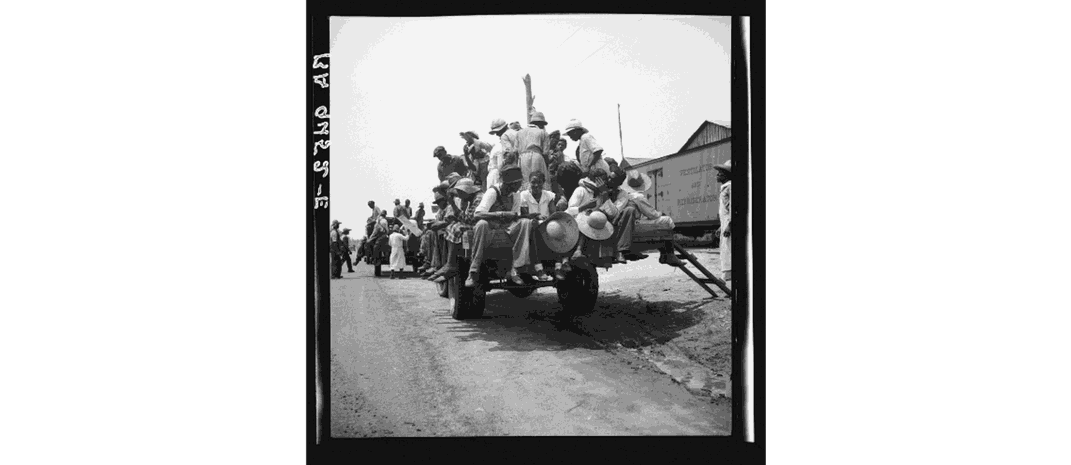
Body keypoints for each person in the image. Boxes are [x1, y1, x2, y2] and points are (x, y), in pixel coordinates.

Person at [466, 165, 544, 287]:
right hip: (491, 230)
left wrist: (528, 217)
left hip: (507, 230)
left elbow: (514, 217)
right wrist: (501, 214)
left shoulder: (516, 195)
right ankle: (473, 271)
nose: (520, 185)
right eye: (518, 183)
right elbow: (478, 214)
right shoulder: (493, 192)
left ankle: (516, 268)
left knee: (526, 223)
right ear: (510, 184)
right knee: (481, 224)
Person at [620, 169, 683, 266]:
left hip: (627, 224)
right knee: (666, 220)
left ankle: (666, 254)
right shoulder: (637, 196)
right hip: (635, 224)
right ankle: (669, 254)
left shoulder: (625, 195)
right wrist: (661, 213)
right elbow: (652, 214)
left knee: (660, 222)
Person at [429, 177, 483, 283]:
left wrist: (453, 206)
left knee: (455, 227)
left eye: (459, 192)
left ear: (466, 190)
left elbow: (469, 219)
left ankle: (450, 264)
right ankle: (449, 263)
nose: (458, 195)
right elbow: (466, 217)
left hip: (480, 226)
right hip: (475, 224)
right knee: (452, 227)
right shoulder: (471, 198)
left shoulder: (478, 198)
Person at [563, 168, 619, 269]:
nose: (605, 182)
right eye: (603, 180)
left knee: (601, 218)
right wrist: (584, 207)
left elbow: (613, 213)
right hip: (575, 223)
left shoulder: (600, 194)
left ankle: (604, 256)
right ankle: (578, 251)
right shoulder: (581, 190)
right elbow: (569, 211)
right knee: (587, 218)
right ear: (596, 180)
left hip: (592, 226)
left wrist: (605, 195)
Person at [513, 111, 551, 191]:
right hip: (537, 157)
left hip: (522, 158)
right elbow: (545, 153)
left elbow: (515, 152)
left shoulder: (519, 132)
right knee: (540, 181)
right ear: (542, 124)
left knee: (526, 182)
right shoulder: (543, 132)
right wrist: (546, 167)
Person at [486, 118, 520, 188]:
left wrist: (504, 170)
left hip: (509, 168)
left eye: (497, 132)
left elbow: (509, 154)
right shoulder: (514, 133)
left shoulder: (504, 137)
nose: (497, 134)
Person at [715, 160, 731, 285]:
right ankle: (725, 277)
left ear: (726, 175)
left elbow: (734, 208)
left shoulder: (730, 187)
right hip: (725, 222)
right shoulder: (725, 187)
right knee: (725, 250)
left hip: (730, 224)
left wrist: (729, 226)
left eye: (720, 173)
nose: (717, 175)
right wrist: (722, 227)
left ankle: (726, 278)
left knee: (729, 249)